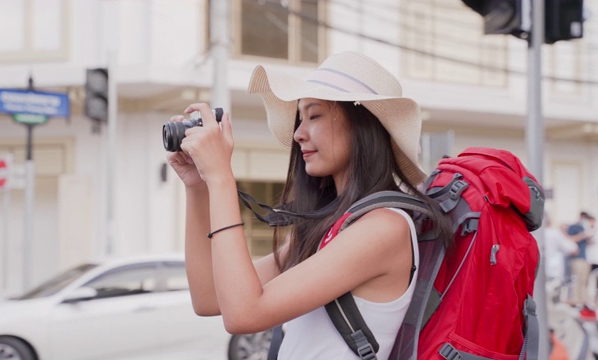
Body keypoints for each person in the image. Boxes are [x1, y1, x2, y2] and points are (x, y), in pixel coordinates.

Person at [166, 51, 450, 359]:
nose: (299, 134)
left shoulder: (385, 227)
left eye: (314, 116)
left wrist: (220, 176)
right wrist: (197, 186)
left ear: (362, 125)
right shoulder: (326, 228)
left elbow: (243, 314)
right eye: (300, 118)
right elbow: (208, 299)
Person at [566, 211, 596, 320]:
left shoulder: (586, 228)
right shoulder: (574, 227)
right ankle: (577, 303)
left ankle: (583, 302)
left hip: (585, 258)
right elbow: (569, 239)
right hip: (577, 258)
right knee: (577, 280)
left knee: (584, 282)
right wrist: (583, 235)